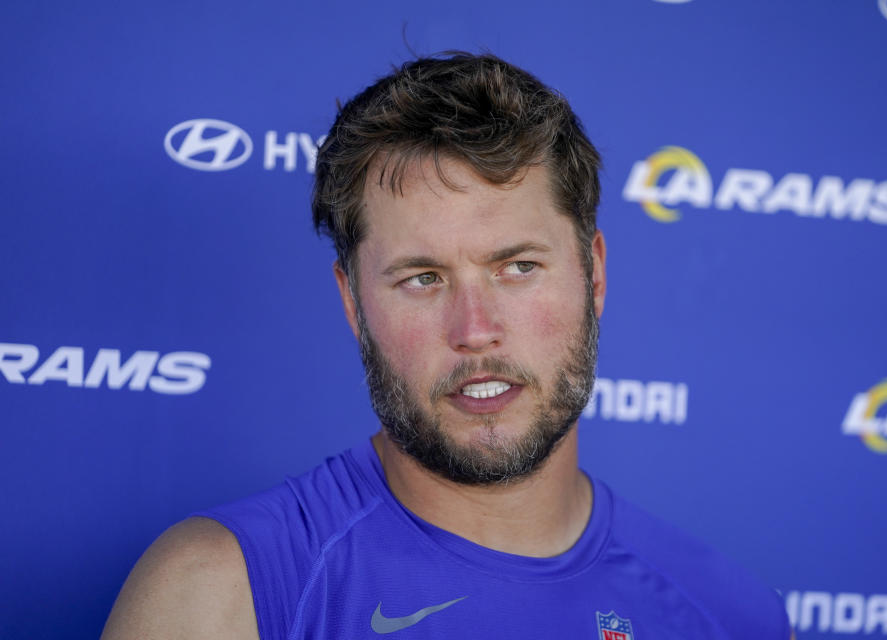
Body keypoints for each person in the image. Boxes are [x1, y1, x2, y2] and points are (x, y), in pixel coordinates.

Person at [102, 52, 790, 639]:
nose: (474, 328)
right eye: (423, 278)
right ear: (353, 303)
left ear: (595, 273)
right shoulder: (217, 596)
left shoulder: (732, 615)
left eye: (518, 267)